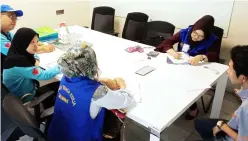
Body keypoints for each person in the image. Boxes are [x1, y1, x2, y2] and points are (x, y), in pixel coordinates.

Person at [47, 45, 134, 141]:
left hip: (58, 134)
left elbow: (80, 86)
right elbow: (126, 100)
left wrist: (100, 81)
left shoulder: (66, 77)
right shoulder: (97, 92)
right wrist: (122, 85)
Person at [156, 15, 218, 120]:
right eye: (195, 33)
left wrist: (202, 56)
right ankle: (172, 101)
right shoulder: (185, 32)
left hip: (198, 69)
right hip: (181, 65)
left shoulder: (212, 39)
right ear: (193, 29)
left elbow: (215, 55)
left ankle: (193, 107)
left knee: (187, 83)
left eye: (200, 36)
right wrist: (170, 51)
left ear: (206, 36)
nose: (195, 37)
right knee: (167, 76)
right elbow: (167, 42)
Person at [195, 45, 248, 141]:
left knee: (203, 126)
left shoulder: (246, 109)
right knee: (199, 123)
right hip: (237, 125)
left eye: (230, 69)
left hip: (233, 135)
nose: (228, 72)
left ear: (243, 78)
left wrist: (222, 126)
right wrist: (242, 94)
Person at [3, 28, 61, 103]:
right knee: (59, 85)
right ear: (22, 43)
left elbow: (33, 55)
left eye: (37, 41)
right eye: (31, 42)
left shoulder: (15, 54)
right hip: (25, 98)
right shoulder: (20, 63)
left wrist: (35, 56)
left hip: (20, 93)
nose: (36, 45)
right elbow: (44, 75)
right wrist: (62, 65)